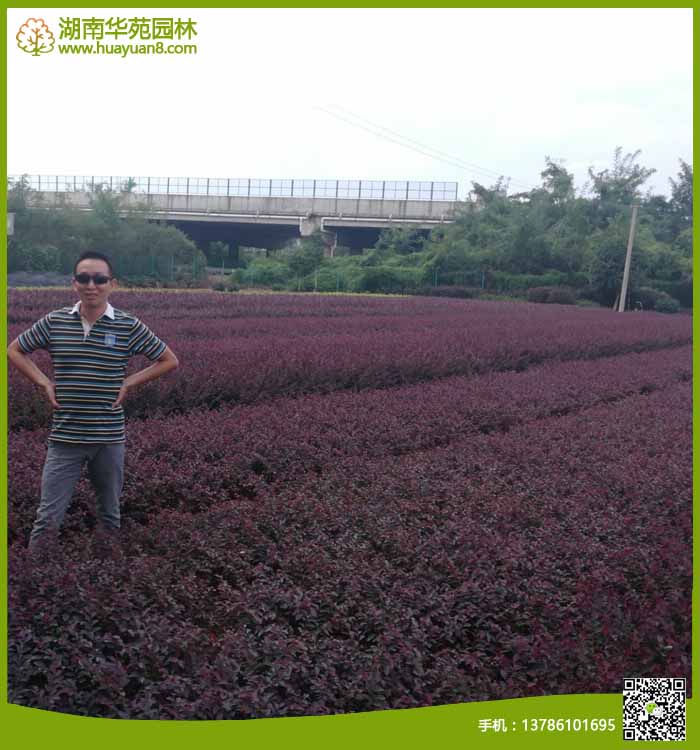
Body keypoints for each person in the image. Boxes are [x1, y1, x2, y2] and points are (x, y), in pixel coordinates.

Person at [8, 251, 179, 548]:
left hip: (108, 440)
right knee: (47, 520)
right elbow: (14, 350)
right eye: (84, 278)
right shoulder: (55, 322)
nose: (91, 285)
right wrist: (43, 381)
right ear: (74, 283)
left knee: (109, 517)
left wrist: (129, 382)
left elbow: (169, 360)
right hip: (65, 439)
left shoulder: (127, 325)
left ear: (112, 284)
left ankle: (106, 570)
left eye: (99, 279)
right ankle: (35, 572)